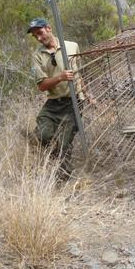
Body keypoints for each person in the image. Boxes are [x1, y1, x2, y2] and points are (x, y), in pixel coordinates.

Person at [28, 17, 85, 178]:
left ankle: (65, 176)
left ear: (49, 28)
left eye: (40, 33)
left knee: (63, 142)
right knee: (42, 135)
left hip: (74, 101)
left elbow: (79, 73)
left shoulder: (72, 46)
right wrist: (60, 77)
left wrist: (88, 95)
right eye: (35, 36)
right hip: (53, 103)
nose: (39, 38)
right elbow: (41, 86)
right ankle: (57, 163)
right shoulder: (37, 56)